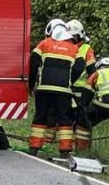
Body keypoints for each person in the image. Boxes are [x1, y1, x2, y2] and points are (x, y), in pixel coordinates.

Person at [28, 19, 84, 157]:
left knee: (40, 117)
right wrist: (69, 81)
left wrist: (31, 85)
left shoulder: (44, 44)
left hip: (44, 89)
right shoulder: (74, 48)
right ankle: (65, 150)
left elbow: (33, 62)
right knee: (65, 119)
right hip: (64, 91)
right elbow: (79, 66)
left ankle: (34, 147)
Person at [67, 19, 97, 151]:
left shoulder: (64, 47)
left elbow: (92, 72)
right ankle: (79, 148)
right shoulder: (86, 49)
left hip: (71, 90)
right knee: (79, 121)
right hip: (79, 92)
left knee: (71, 120)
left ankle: (78, 149)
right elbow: (93, 72)